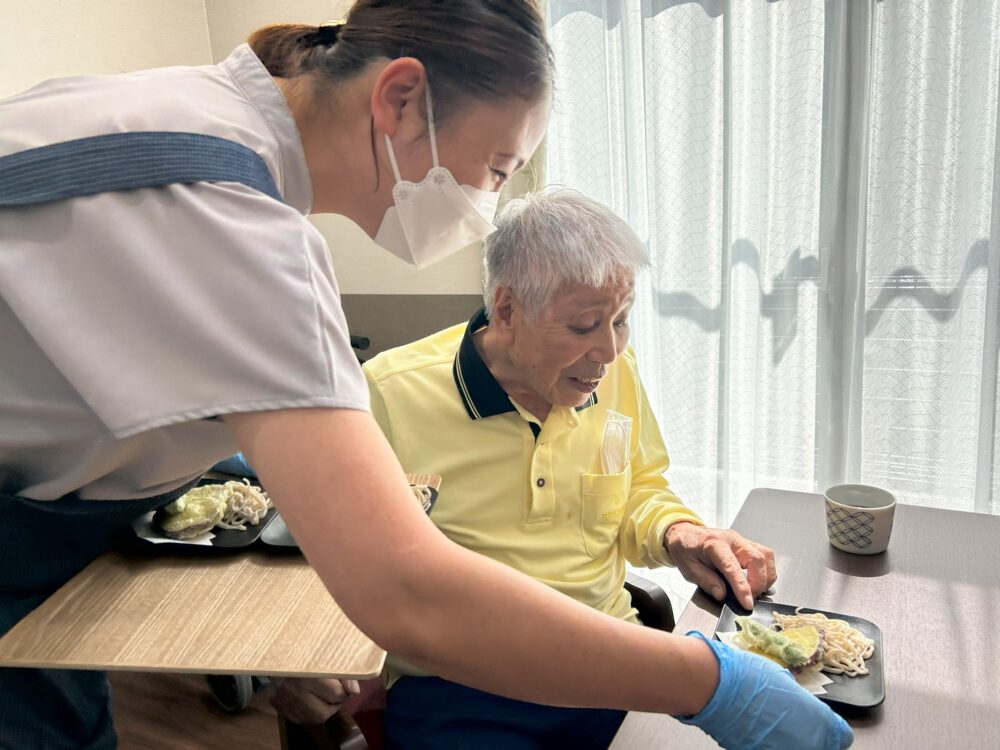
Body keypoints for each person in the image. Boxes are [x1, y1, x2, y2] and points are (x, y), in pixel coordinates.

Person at [0, 3, 852, 749]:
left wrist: (677, 536)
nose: (486, 203)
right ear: (401, 100)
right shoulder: (243, 230)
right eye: (494, 169)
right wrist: (712, 684)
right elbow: (404, 591)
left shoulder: (158, 114)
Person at [270, 189, 850, 747]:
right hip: (459, 685)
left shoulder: (613, 374)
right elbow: (328, 552)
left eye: (620, 320)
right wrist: (294, 656)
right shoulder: (389, 395)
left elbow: (639, 491)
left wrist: (681, 534)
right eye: (584, 325)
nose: (609, 350)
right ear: (506, 310)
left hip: (614, 658)